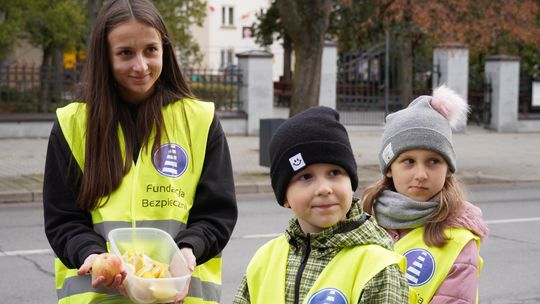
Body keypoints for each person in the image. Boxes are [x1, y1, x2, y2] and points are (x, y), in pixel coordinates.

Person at [42, 0, 237, 303]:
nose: (141, 65)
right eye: (125, 53)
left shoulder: (200, 120)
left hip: (180, 297)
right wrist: (91, 254)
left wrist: (188, 249)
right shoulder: (71, 124)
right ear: (104, 57)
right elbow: (63, 220)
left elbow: (216, 214)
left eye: (150, 50)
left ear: (165, 51)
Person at [234, 106, 410, 304]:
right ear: (284, 197)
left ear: (351, 184)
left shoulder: (377, 266)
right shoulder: (264, 259)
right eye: (306, 177)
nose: (324, 189)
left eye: (334, 173)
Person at [361, 85, 489, 303]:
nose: (421, 174)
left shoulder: (457, 240)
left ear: (447, 169)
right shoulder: (364, 222)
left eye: (433, 161)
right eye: (408, 161)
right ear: (390, 168)